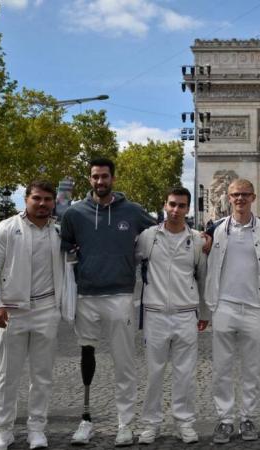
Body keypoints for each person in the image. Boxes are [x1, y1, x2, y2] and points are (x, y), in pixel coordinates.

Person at [60, 157, 156, 446]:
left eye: (104, 176)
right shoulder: (74, 214)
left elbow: (159, 236)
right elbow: (63, 247)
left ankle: (124, 423)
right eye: (94, 177)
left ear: (113, 178)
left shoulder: (134, 211)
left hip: (121, 296)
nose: (99, 181)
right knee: (86, 357)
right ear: (89, 179)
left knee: (124, 362)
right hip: (86, 296)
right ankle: (86, 420)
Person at [0, 180, 64, 450]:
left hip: (47, 310)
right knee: (8, 375)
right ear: (25, 199)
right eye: (37, 198)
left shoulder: (60, 232)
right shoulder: (6, 228)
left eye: (47, 199)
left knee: (42, 376)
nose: (42, 204)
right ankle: (3, 431)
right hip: (13, 311)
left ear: (54, 202)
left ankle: (36, 430)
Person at [204, 179, 260, 444]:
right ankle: (224, 420)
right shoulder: (215, 230)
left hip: (255, 307)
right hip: (224, 306)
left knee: (252, 369)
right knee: (222, 369)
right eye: (235, 194)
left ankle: (248, 418)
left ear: (254, 197)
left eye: (245, 194)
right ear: (228, 197)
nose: (240, 199)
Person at [135, 187, 208, 444]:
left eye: (181, 205)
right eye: (172, 204)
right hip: (155, 314)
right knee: (154, 373)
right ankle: (150, 424)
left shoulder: (198, 240)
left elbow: (203, 278)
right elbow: (130, 264)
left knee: (185, 374)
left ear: (188, 209)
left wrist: (205, 312)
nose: (176, 210)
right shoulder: (146, 237)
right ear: (165, 205)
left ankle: (185, 422)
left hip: (186, 314)